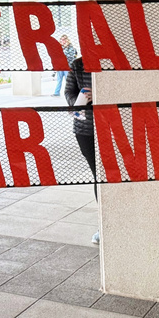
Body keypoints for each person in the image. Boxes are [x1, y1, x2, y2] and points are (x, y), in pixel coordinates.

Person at [64, 56, 100, 245]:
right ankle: (104, 224)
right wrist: (80, 99)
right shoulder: (78, 65)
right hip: (85, 130)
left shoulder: (114, 61)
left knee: (112, 177)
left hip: (112, 126)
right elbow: (68, 92)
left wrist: (101, 93)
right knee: (99, 177)